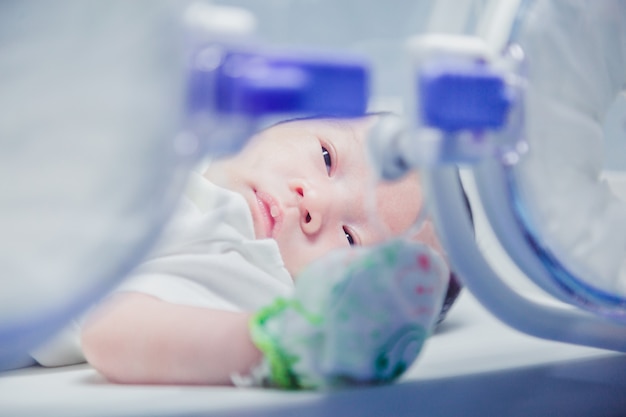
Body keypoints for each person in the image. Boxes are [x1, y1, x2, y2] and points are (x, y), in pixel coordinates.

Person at [31, 115, 457, 386]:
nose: (314, 203)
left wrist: (277, 341)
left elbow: (112, 332)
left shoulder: (248, 264)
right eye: (326, 158)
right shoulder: (187, 132)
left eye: (349, 240)